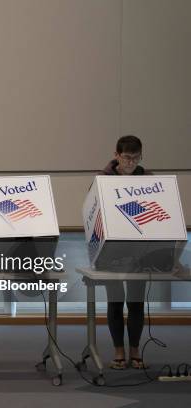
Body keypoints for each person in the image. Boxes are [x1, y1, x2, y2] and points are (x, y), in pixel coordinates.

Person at [98, 135, 149, 370]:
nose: (131, 163)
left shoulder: (148, 180)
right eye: (127, 158)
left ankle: (135, 350)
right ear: (117, 155)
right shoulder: (102, 180)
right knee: (116, 302)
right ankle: (119, 350)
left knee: (136, 303)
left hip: (139, 250)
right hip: (111, 251)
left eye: (136, 158)